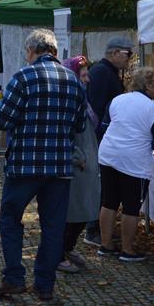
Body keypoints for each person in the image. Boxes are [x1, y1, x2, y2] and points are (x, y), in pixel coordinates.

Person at [0, 29, 86, 302]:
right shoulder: (73, 81)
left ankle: (14, 278)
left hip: (24, 166)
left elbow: (1, 120)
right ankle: (45, 285)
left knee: (10, 218)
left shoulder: (23, 77)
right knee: (53, 226)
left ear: (31, 51)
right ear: (54, 52)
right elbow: (79, 125)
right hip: (59, 168)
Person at [97, 67, 154, 262]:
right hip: (134, 162)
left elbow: (103, 128)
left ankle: (105, 245)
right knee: (131, 207)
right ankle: (127, 250)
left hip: (108, 155)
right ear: (148, 85)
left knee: (109, 201)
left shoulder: (117, 100)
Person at [83, 36, 133, 247]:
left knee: (103, 185)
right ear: (114, 53)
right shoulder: (103, 73)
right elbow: (96, 110)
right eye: (127, 54)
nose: (130, 59)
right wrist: (101, 137)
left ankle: (95, 229)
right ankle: (93, 230)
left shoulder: (108, 72)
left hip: (103, 137)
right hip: (100, 138)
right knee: (100, 185)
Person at [58, 56, 101, 274]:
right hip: (75, 163)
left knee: (85, 210)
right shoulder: (69, 100)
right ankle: (58, 252)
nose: (87, 79)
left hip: (86, 160)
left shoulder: (81, 98)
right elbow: (64, 132)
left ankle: (67, 247)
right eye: (83, 75)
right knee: (72, 212)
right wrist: (77, 156)